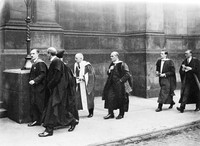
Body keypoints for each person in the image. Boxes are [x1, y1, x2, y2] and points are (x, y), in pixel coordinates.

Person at [38, 47, 78, 137]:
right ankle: (72, 120)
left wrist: (50, 85)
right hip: (58, 89)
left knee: (52, 108)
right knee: (58, 109)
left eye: (46, 54)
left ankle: (49, 130)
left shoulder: (56, 61)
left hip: (58, 90)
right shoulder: (57, 61)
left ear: (49, 53)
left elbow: (57, 76)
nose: (46, 55)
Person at [102, 51, 131, 120]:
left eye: (112, 56)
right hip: (111, 84)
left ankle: (121, 114)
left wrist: (120, 81)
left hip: (120, 85)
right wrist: (109, 70)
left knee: (120, 98)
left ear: (116, 56)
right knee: (109, 97)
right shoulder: (112, 64)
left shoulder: (122, 64)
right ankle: (110, 113)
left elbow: (127, 74)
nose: (111, 57)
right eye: (110, 56)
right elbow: (108, 73)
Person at [56, 49, 79, 121]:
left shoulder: (64, 66)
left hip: (67, 89)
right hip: (67, 88)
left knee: (68, 105)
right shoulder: (64, 65)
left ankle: (73, 120)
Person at [28, 49, 48, 127]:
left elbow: (43, 74)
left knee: (40, 104)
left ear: (37, 54)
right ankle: (36, 120)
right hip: (35, 87)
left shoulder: (40, 63)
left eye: (33, 53)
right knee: (35, 104)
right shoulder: (35, 63)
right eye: (31, 54)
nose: (31, 55)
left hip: (40, 88)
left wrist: (34, 81)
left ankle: (42, 121)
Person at [74, 53, 95, 118]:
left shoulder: (87, 65)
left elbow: (91, 74)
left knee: (89, 98)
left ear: (81, 58)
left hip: (86, 84)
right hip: (79, 84)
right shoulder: (75, 65)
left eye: (77, 58)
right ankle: (76, 113)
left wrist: (84, 77)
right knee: (78, 98)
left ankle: (91, 112)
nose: (75, 59)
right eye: (75, 58)